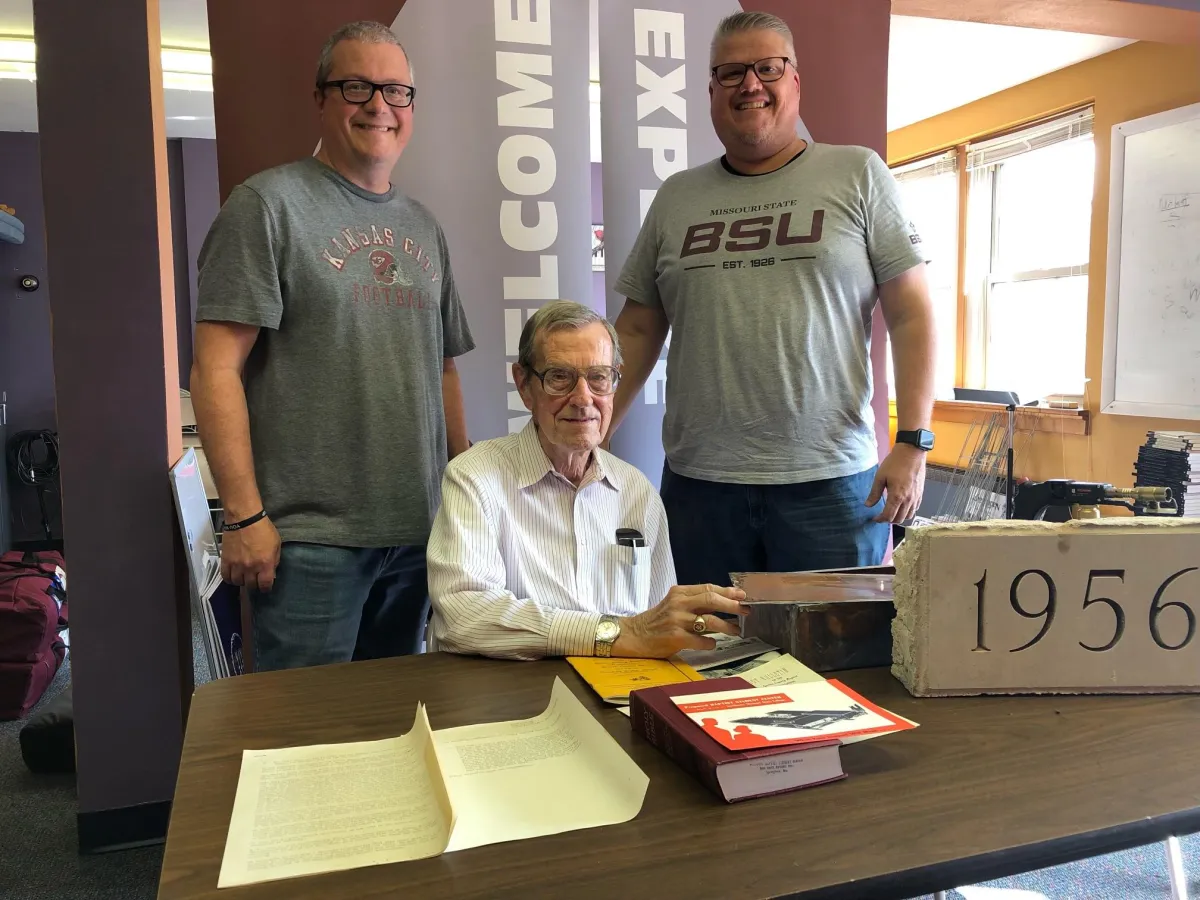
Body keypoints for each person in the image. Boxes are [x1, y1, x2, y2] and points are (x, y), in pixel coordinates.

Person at [608, 11, 936, 586]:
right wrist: (595, 433)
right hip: (700, 487)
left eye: (768, 68)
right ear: (711, 92)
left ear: (795, 82)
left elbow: (911, 313)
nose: (750, 85)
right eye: (731, 73)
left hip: (831, 488)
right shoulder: (677, 197)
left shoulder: (857, 173)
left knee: (833, 669)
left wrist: (913, 441)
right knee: (708, 664)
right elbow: (636, 330)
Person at [190, 21, 475, 671]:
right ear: (321, 98)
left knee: (392, 726)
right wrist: (243, 517)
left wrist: (466, 495)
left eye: (397, 91)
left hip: (416, 535)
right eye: (357, 86)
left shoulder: (423, 226)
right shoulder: (266, 206)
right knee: (304, 745)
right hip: (308, 544)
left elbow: (444, 368)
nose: (379, 105)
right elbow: (215, 368)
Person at [427, 301, 748, 661]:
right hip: (512, 692)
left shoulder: (636, 490)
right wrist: (612, 634)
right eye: (560, 377)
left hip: (622, 690)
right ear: (524, 385)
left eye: (599, 377)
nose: (583, 399)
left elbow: (658, 624)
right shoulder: (475, 477)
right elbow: (464, 615)